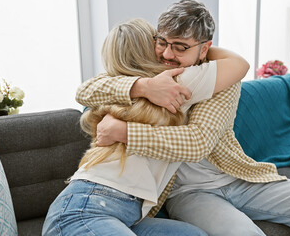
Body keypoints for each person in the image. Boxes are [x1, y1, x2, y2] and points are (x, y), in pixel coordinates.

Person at [75, 0, 290, 236]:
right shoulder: (148, 76)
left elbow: (198, 142)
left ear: (204, 49)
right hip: (188, 192)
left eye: (181, 47)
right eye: (162, 43)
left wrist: (124, 131)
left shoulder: (222, 78)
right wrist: (143, 86)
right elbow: (86, 90)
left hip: (235, 177)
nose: (168, 54)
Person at [42, 17, 249, 236]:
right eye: (160, 43)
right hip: (86, 206)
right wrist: (193, 50)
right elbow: (238, 64)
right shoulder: (172, 83)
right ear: (148, 49)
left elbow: (84, 90)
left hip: (128, 214)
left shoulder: (130, 86)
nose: (167, 52)